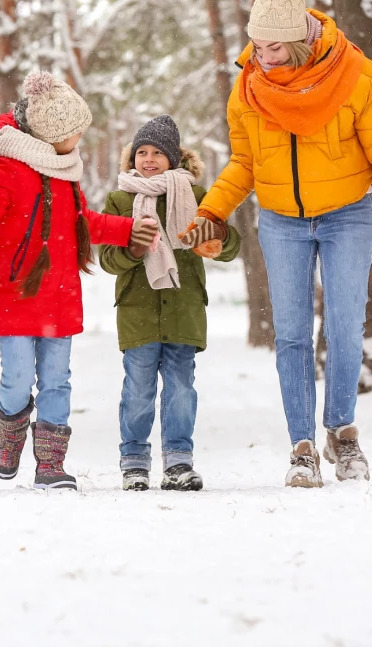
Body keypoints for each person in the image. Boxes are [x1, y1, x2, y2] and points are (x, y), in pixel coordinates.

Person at [180, 0, 372, 488]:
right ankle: (302, 447)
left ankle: (343, 432)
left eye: (272, 48)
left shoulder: (359, 78)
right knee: (290, 334)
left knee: (343, 329)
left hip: (347, 215)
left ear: (299, 41)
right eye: (256, 46)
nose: (260, 58)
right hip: (282, 222)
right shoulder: (249, 88)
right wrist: (212, 212)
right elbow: (245, 162)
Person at [0, 72, 157, 490]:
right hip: (15, 292)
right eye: (74, 134)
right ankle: (10, 430)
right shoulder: (5, 170)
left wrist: (125, 230)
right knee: (15, 380)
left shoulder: (64, 172)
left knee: (57, 380)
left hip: (59, 295)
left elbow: (81, 223)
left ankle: (49, 464)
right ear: (50, 136)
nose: (79, 141)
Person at [100, 115, 241, 492]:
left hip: (184, 308)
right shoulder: (119, 200)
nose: (148, 159)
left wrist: (218, 237)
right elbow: (107, 260)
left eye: (158, 153)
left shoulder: (198, 196)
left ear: (175, 159)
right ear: (132, 158)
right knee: (139, 389)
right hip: (138, 312)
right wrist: (132, 248)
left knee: (181, 388)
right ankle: (134, 463)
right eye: (141, 152)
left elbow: (230, 246)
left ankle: (179, 462)